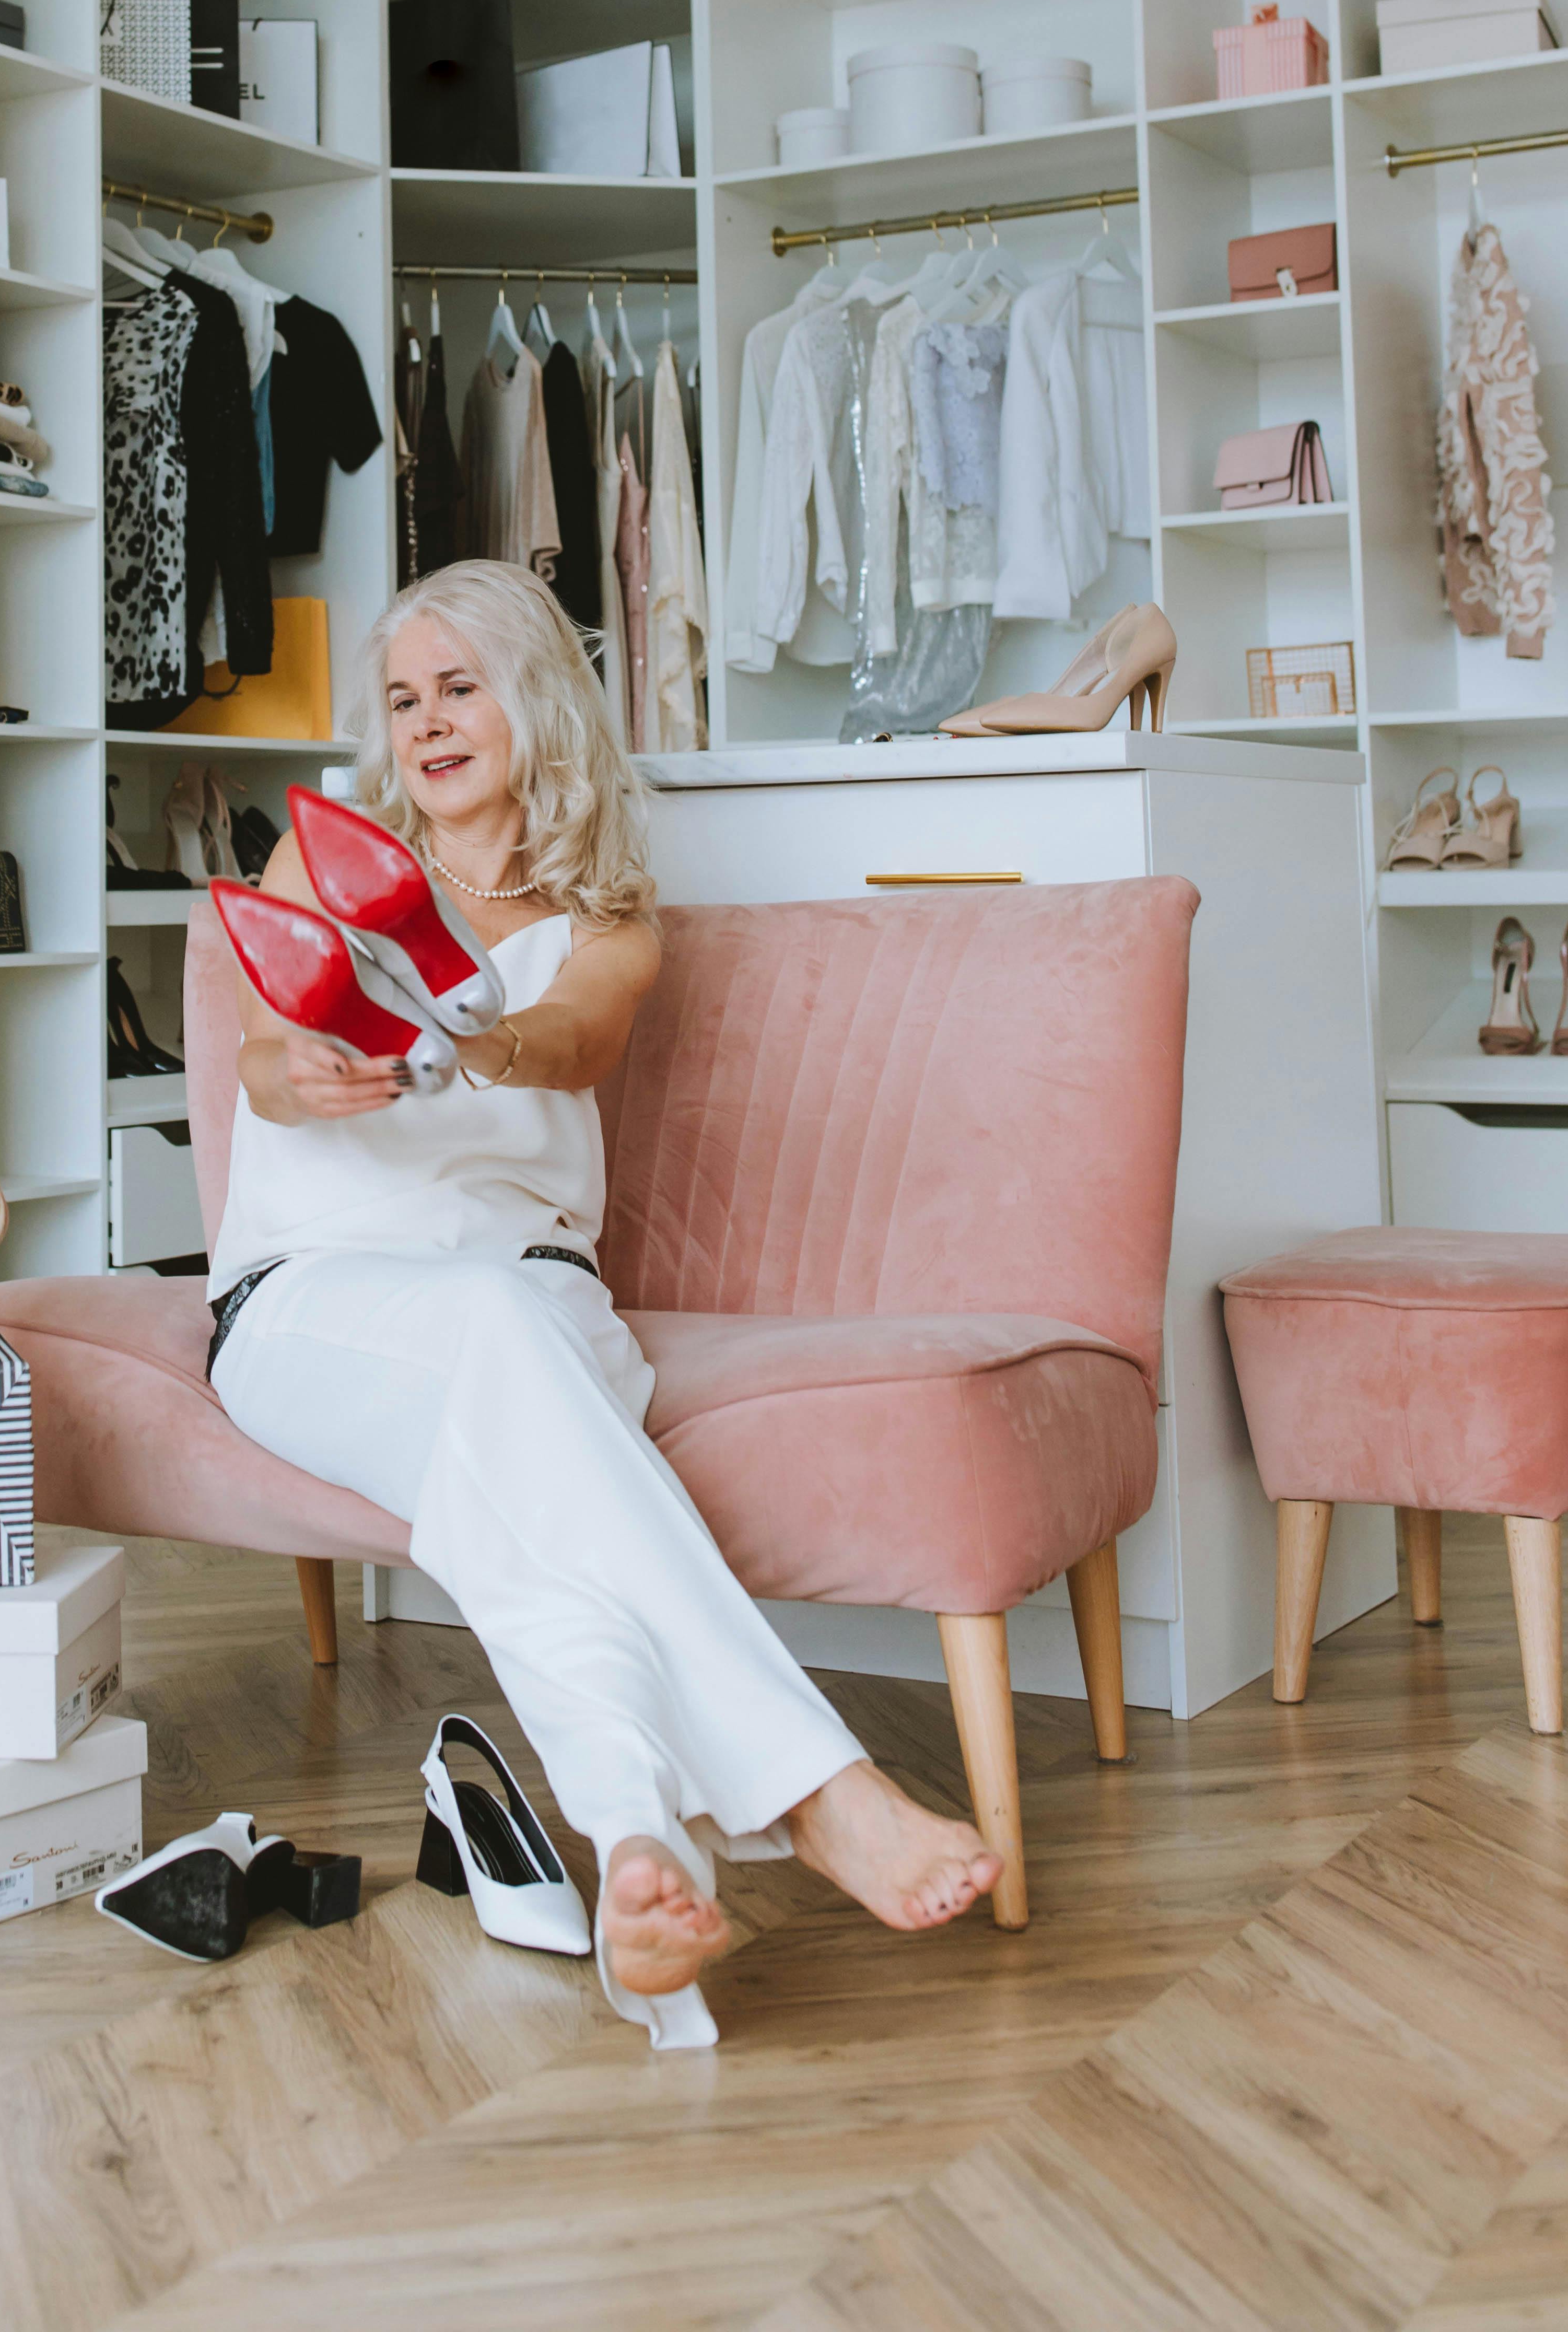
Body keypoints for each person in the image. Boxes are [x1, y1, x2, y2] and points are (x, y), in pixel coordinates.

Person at [208, 558, 1000, 2045]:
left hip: (529, 1299)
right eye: (403, 699)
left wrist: (470, 1040)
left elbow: (571, 1040)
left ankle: (640, 1852)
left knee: (523, 1496)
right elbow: (262, 1051)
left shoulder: (608, 915)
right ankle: (823, 1799)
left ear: (531, 696)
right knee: (523, 1380)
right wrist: (300, 1071)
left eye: (461, 687)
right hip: (312, 1304)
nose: (429, 723)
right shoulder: (324, 862)